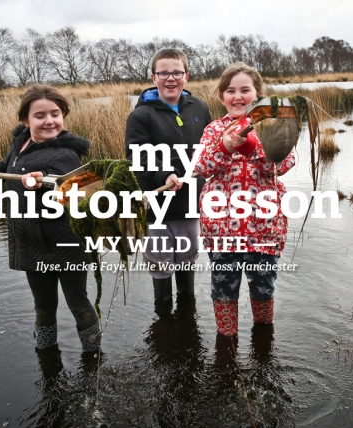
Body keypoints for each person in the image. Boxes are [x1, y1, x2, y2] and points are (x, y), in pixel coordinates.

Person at [0, 84, 100, 352]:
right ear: (26, 119)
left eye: (55, 113)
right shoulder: (21, 142)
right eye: (40, 115)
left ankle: (93, 355)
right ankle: (47, 355)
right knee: (43, 307)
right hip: (33, 242)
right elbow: (5, 168)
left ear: (63, 116)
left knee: (78, 303)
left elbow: (83, 193)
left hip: (64, 244)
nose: (49, 120)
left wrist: (44, 185)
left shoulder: (65, 153)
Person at [195, 62, 295, 336]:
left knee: (263, 286)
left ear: (258, 93)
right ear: (221, 96)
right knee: (223, 288)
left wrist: (253, 148)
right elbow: (201, 167)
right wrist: (225, 148)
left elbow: (284, 164)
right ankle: (226, 342)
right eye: (230, 91)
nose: (237, 96)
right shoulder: (214, 129)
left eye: (245, 90)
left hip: (264, 226)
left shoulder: (274, 124)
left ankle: (264, 339)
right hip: (222, 229)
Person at [125, 49, 212, 310]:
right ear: (153, 77)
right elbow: (137, 157)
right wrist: (165, 174)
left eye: (177, 72)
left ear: (187, 76)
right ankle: (163, 316)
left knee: (187, 257)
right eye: (163, 73)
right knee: (161, 262)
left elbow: (208, 148)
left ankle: (187, 316)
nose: (170, 78)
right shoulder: (141, 115)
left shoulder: (199, 107)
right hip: (157, 202)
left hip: (189, 200)